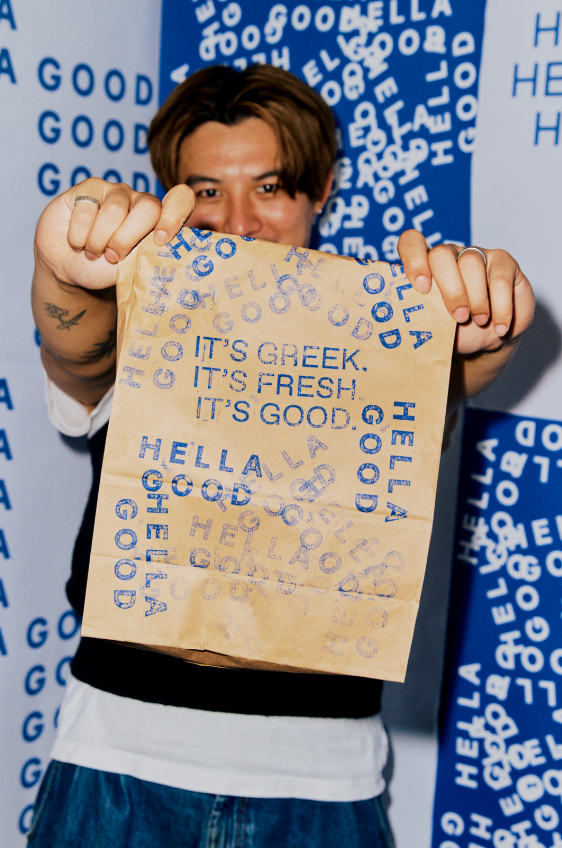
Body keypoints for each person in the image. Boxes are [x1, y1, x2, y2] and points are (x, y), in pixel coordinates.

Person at [28, 65, 534, 847]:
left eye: (269, 187)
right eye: (204, 191)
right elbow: (76, 347)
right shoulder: (139, 318)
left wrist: (480, 324)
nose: (238, 223)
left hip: (324, 787)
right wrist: (66, 266)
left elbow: (456, 378)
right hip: (117, 767)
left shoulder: (381, 342)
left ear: (320, 189)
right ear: (170, 192)